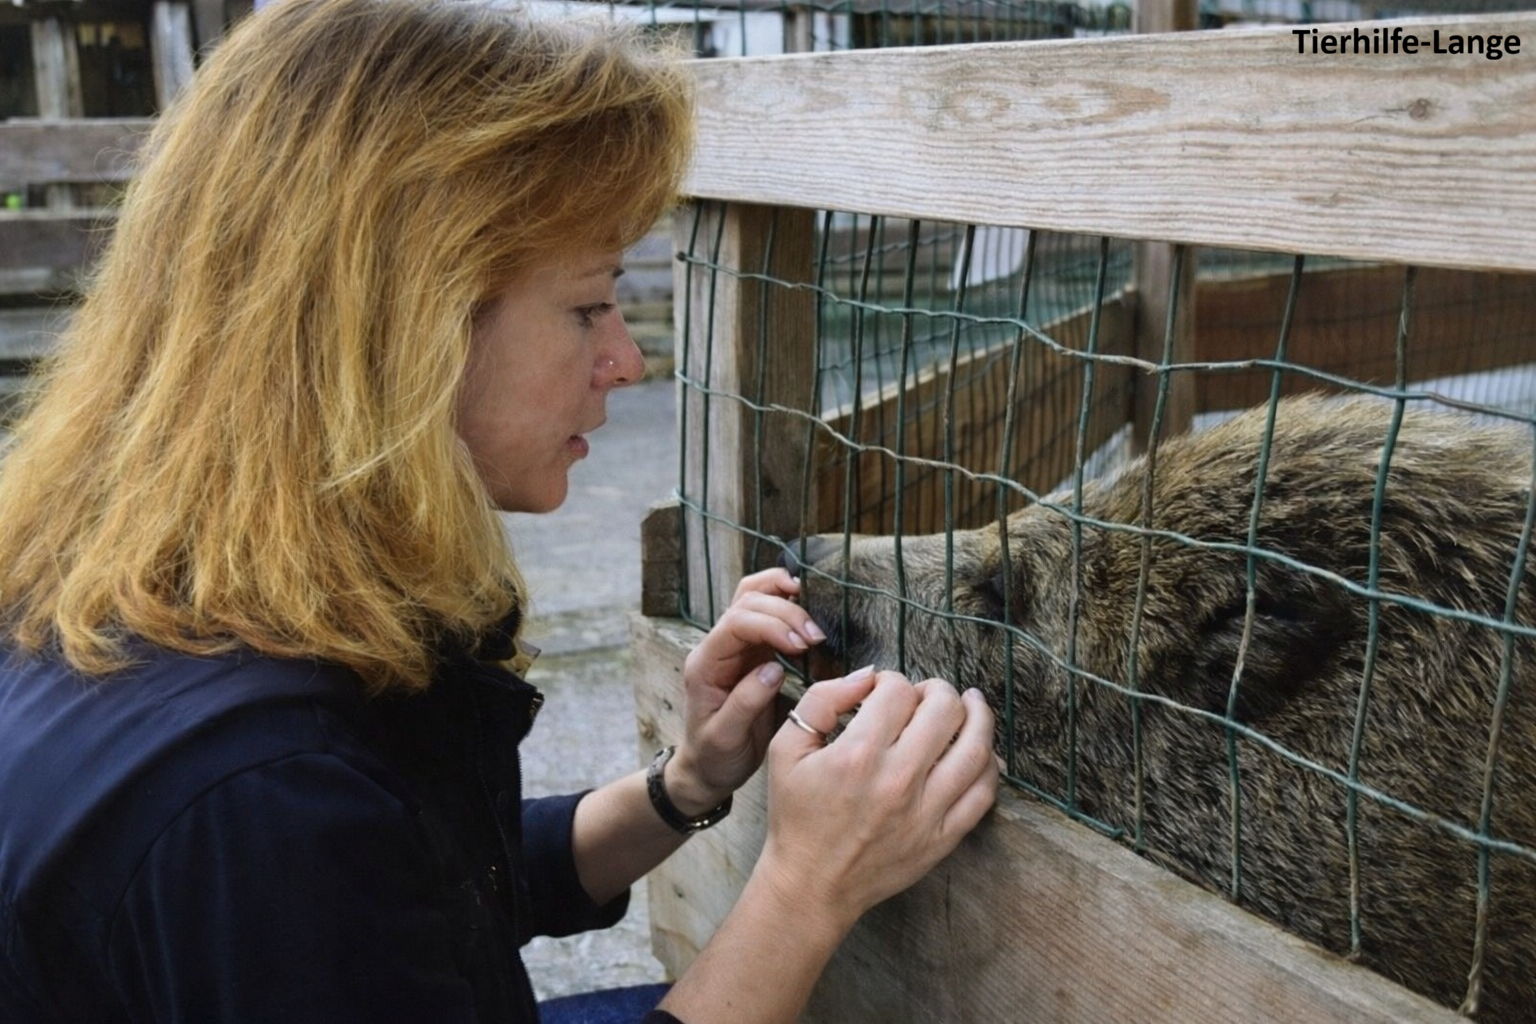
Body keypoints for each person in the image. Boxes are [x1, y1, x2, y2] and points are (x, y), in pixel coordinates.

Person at [0, 2, 999, 1022]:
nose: (627, 360)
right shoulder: (261, 795)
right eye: (588, 305)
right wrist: (808, 885)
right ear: (406, 326)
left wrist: (686, 783)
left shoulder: (190, 602)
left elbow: (419, 897)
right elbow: (327, 873)